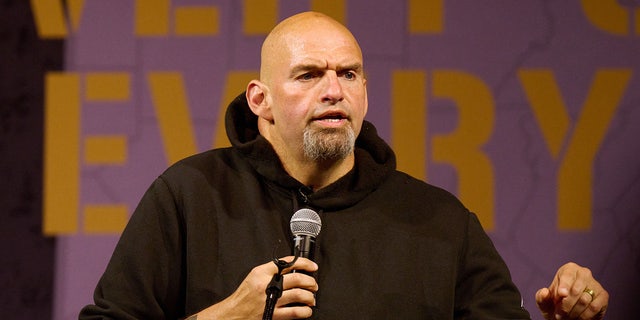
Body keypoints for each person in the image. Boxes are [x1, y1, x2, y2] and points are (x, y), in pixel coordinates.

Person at [79, 11, 608, 320]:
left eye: (349, 75)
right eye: (309, 75)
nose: (334, 91)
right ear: (259, 99)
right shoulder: (188, 196)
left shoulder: (440, 222)